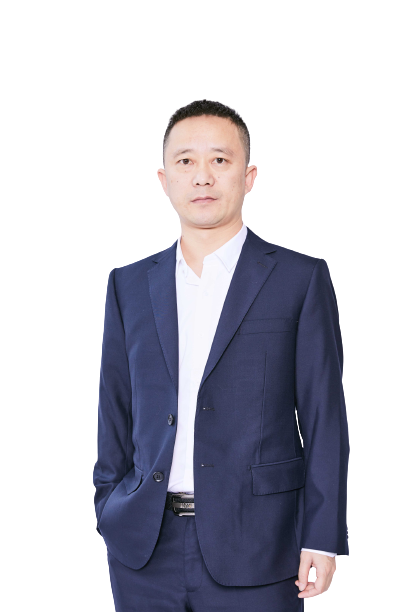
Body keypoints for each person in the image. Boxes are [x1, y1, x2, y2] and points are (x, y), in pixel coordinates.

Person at [94, 99, 349, 611]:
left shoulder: (299, 279)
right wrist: (108, 504)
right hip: (144, 548)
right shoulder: (128, 284)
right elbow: (115, 405)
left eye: (220, 159)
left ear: (248, 177)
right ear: (165, 180)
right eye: (186, 161)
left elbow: (324, 416)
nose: (202, 176)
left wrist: (322, 536)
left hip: (260, 544)